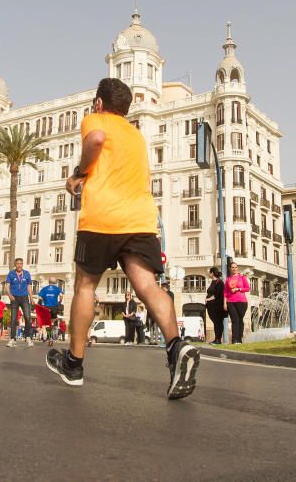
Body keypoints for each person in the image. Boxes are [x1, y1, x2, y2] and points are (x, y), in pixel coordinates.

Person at [45, 78, 199, 399]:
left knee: (85, 286)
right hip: (141, 220)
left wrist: (78, 173)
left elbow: (97, 139)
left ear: (99, 103)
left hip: (102, 218)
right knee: (148, 287)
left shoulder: (96, 120)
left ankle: (74, 364)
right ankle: (175, 347)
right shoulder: (136, 135)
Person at [6, 258, 34, 348]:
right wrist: (9, 295)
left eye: (20, 263)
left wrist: (31, 298)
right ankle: (13, 339)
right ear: (15, 264)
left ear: (22, 264)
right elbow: (7, 286)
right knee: (14, 319)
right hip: (14, 298)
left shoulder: (26, 274)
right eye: (17, 263)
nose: (19, 265)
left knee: (28, 317)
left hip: (25, 297)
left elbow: (29, 286)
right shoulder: (11, 274)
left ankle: (28, 337)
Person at [224, 260, 250, 344]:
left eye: (235, 267)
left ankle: (239, 339)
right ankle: (234, 340)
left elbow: (247, 288)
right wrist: (224, 303)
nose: (234, 269)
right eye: (232, 267)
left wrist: (238, 289)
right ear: (230, 268)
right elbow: (225, 292)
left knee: (240, 320)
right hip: (230, 302)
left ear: (237, 268)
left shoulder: (242, 277)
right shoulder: (228, 279)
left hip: (242, 302)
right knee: (234, 320)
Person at [205, 267, 225, 344]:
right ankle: (216, 338)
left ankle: (218, 339)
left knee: (218, 322)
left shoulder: (219, 282)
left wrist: (209, 299)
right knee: (216, 322)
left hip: (217, 306)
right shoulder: (213, 282)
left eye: (209, 272)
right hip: (211, 306)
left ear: (212, 273)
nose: (209, 274)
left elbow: (218, 294)